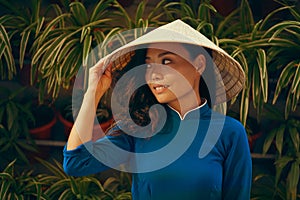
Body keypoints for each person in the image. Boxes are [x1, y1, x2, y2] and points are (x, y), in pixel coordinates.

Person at [63, 20, 252, 200]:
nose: (153, 73)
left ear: (199, 64)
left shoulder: (229, 133)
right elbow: (75, 162)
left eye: (167, 61)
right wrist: (94, 92)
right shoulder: (139, 129)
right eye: (148, 64)